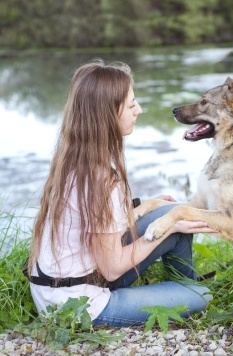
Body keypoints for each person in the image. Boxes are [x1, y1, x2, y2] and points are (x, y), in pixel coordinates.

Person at [27, 59, 216, 327]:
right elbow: (112, 268)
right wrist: (169, 228)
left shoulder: (74, 159)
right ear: (107, 114)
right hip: (79, 307)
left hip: (58, 290)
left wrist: (150, 207)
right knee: (201, 292)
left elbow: (100, 229)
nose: (139, 110)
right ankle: (187, 293)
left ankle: (181, 288)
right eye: (131, 105)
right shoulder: (102, 179)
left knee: (171, 212)